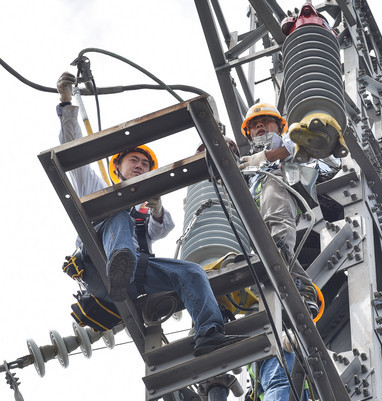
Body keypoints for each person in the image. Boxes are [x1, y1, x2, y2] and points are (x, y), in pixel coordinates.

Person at [56, 72, 244, 356]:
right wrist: (68, 103)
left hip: (133, 278)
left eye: (146, 163)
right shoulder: (95, 187)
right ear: (117, 167)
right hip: (98, 266)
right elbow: (71, 151)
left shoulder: (144, 209)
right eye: (135, 160)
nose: (141, 166)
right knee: (117, 211)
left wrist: (155, 208)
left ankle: (209, 332)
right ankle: (120, 263)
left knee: (191, 272)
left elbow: (162, 228)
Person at [239, 103, 319, 401]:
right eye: (255, 125)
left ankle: (279, 261)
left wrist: (263, 158)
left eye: (266, 123)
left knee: (274, 218)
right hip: (251, 209)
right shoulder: (247, 163)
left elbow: (300, 142)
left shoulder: (286, 145)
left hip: (277, 190)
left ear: (278, 126)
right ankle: (302, 289)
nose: (260, 128)